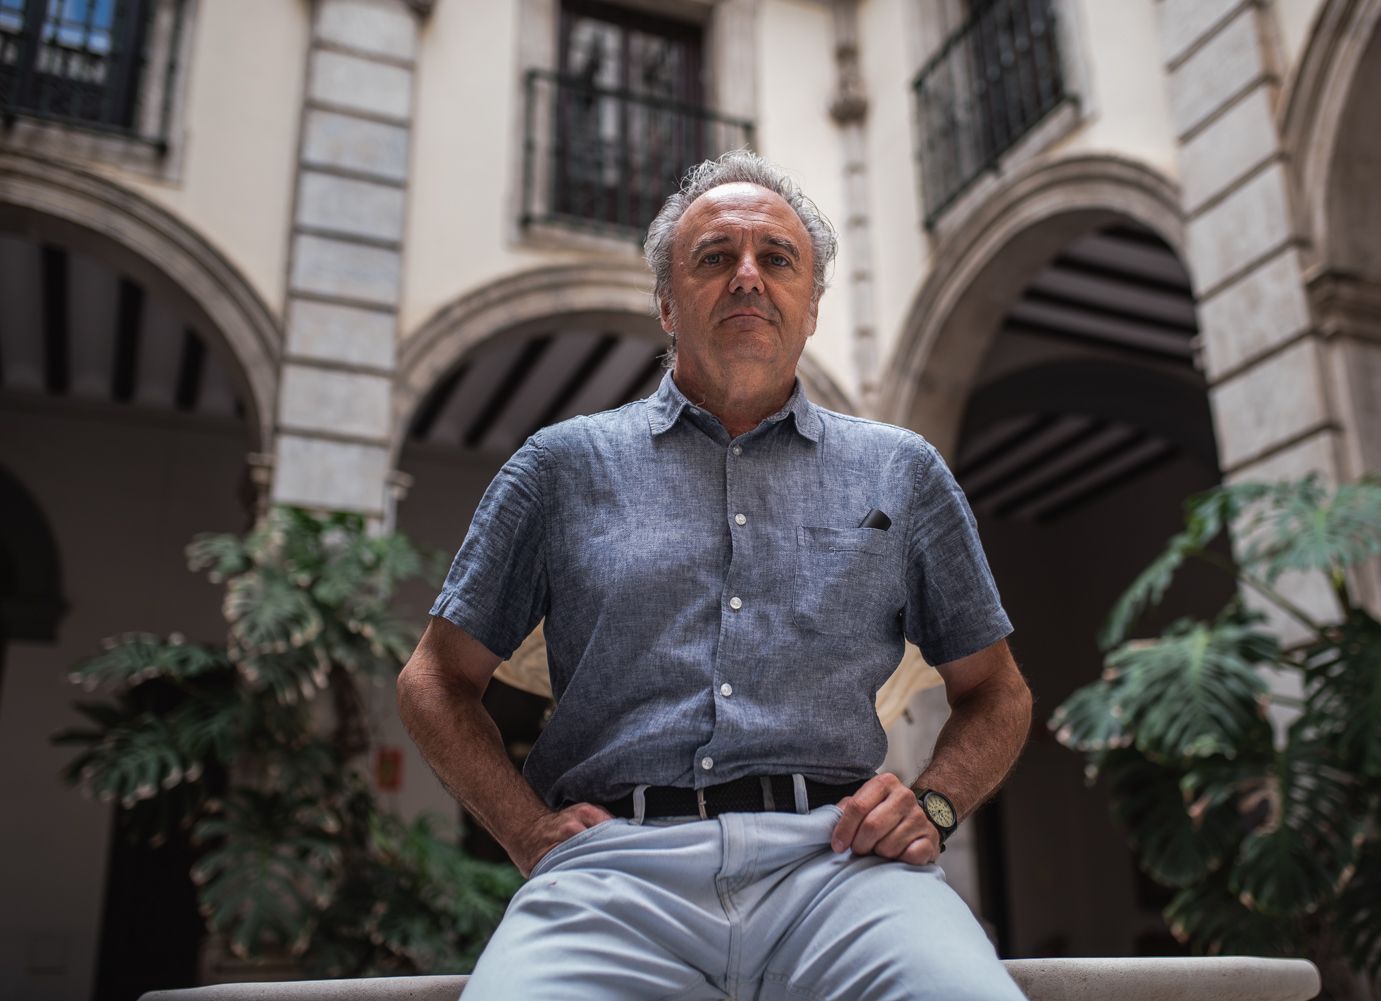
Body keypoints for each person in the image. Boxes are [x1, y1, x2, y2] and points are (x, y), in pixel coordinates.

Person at [397, 151, 1032, 1000]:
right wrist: (527, 833)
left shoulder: (901, 472)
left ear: (810, 307)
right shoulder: (560, 467)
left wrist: (937, 805)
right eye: (713, 258)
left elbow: (998, 690)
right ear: (667, 302)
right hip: (611, 878)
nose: (746, 277)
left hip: (841, 870)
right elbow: (435, 679)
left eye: (776, 259)